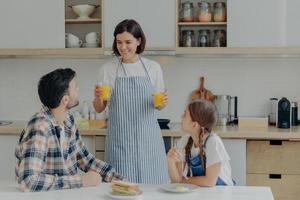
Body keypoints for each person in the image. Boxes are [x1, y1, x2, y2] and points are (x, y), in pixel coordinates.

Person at [15, 68, 124, 192]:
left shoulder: (68, 121)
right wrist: (81, 181)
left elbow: (85, 159)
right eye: (75, 87)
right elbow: (28, 181)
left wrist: (119, 179)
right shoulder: (40, 127)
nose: (78, 89)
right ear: (65, 100)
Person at [93, 19, 169, 184]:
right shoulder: (108, 69)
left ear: (139, 41)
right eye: (119, 42)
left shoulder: (153, 68)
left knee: (153, 190)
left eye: (128, 42)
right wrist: (98, 97)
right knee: (121, 189)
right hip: (120, 144)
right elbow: (99, 108)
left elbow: (159, 105)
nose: (123, 47)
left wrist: (163, 101)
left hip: (149, 142)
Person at [167, 99, 234, 186]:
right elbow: (176, 181)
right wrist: (170, 161)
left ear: (194, 125)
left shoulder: (213, 142)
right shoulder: (184, 141)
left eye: (185, 114)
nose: (181, 116)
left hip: (222, 192)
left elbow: (209, 182)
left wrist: (183, 181)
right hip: (203, 193)